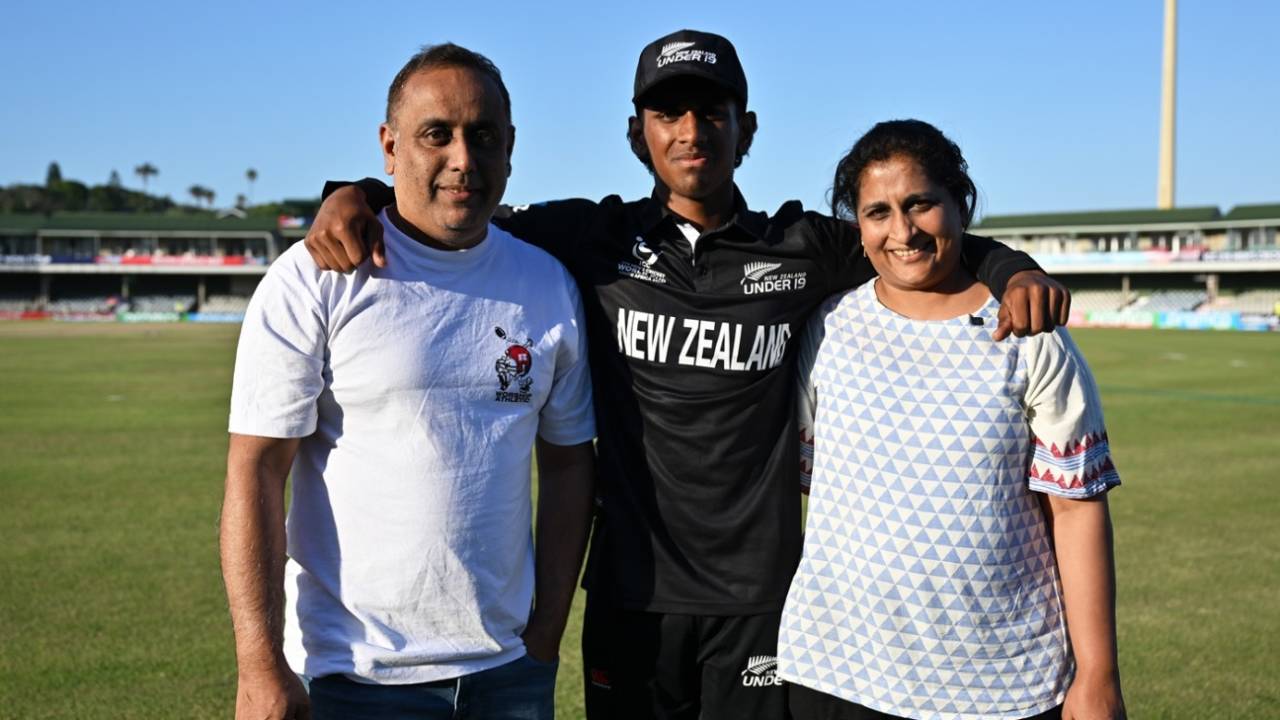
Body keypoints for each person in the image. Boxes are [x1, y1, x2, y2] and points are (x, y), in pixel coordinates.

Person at [303, 30, 1072, 720]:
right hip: (630, 599)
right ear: (638, 135)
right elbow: (453, 199)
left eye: (712, 111)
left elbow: (917, 234)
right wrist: (358, 193)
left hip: (759, 604)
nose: (692, 131)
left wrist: (1015, 268)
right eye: (669, 114)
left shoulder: (801, 248)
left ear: (747, 129)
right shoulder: (590, 238)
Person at [219, 44, 596, 720]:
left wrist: (546, 633)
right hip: (353, 676)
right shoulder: (316, 279)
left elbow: (569, 466)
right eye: (436, 134)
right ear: (390, 147)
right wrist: (258, 663)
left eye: (482, 136)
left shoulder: (548, 284)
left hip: (508, 675)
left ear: (510, 147)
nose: (462, 158)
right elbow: (255, 472)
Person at [779, 119, 1125, 720]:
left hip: (1001, 681)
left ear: (960, 205)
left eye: (921, 204)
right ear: (855, 225)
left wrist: (1098, 676)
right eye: (878, 212)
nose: (903, 231)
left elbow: (1076, 510)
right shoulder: (827, 326)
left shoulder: (1030, 335)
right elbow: (813, 483)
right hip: (835, 672)